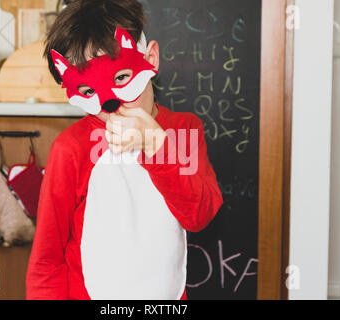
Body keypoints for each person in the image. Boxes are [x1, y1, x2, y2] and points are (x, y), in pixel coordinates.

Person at [26, 0, 223, 300]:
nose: (111, 103)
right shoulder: (69, 149)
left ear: (151, 59)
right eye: (90, 91)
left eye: (121, 78)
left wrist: (158, 146)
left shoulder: (185, 130)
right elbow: (46, 258)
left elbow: (199, 215)